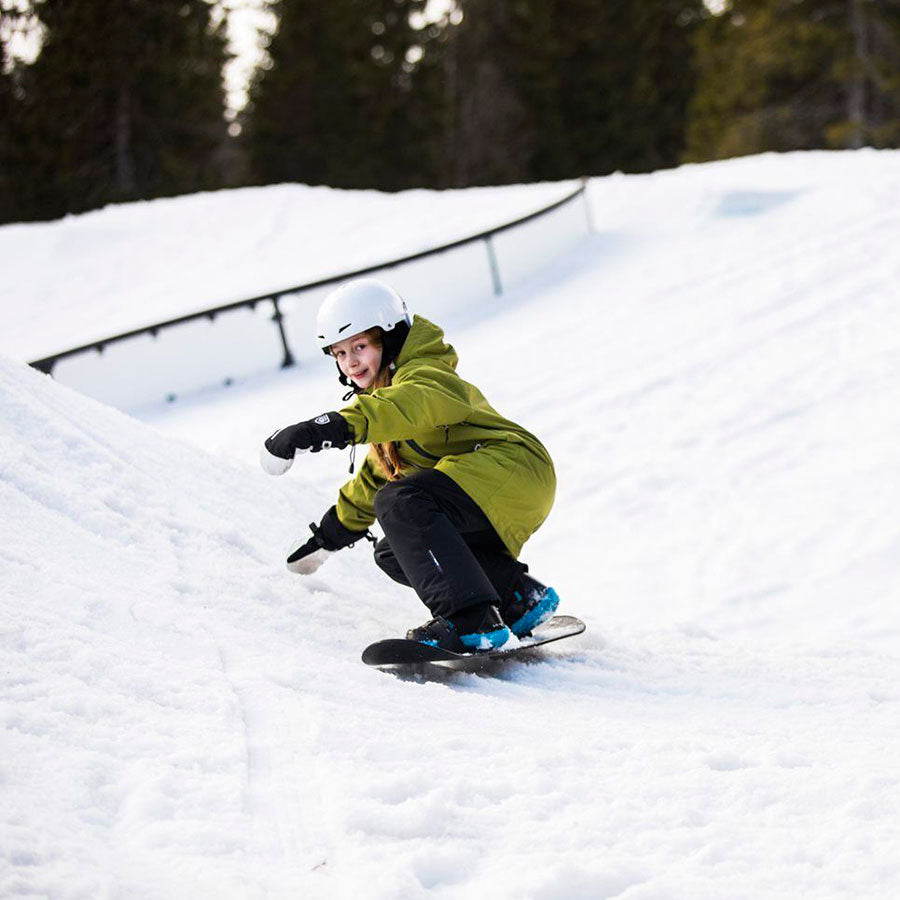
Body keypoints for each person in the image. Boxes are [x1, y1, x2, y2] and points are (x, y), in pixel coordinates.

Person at [260, 277, 558, 652]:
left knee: (400, 501)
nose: (351, 362)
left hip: (512, 467)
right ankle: (518, 597)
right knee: (395, 551)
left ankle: (471, 621)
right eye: (339, 353)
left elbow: (410, 404)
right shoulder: (386, 405)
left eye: (361, 346)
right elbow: (371, 481)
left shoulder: (426, 375)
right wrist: (327, 537)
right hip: (490, 483)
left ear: (391, 338)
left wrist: (328, 427)